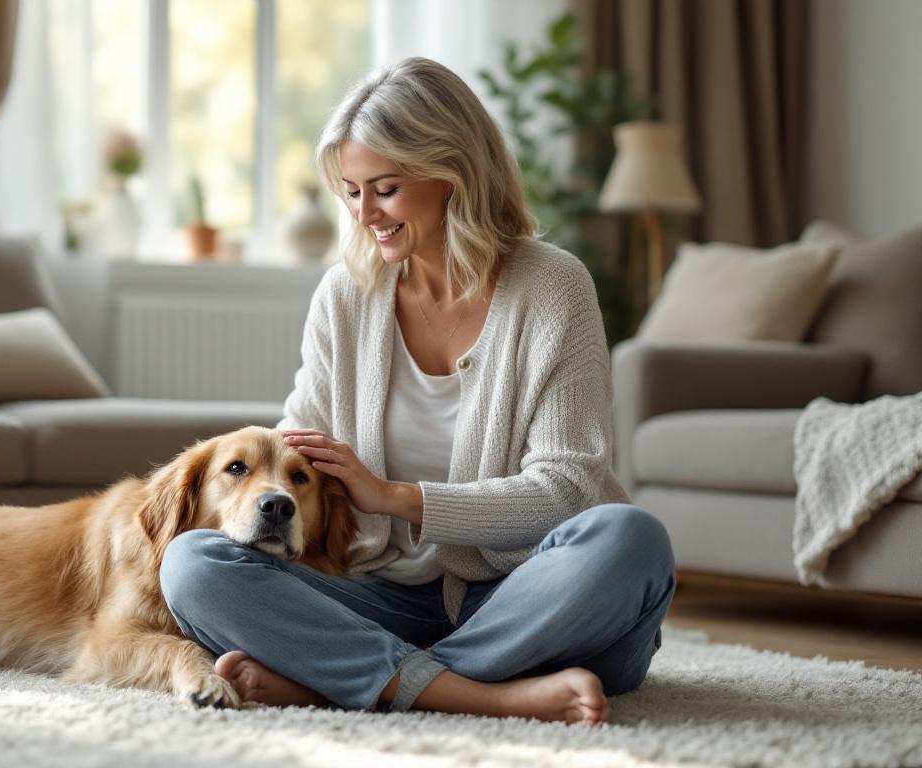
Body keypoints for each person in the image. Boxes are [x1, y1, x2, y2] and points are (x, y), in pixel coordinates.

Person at [159, 57, 675, 726]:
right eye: (350, 190)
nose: (363, 213)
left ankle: (348, 677)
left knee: (631, 541)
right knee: (195, 565)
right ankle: (482, 694)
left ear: (451, 175)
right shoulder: (346, 296)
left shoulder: (552, 287)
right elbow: (297, 445)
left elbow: (568, 489)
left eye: (385, 188)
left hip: (527, 598)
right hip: (382, 594)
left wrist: (394, 498)